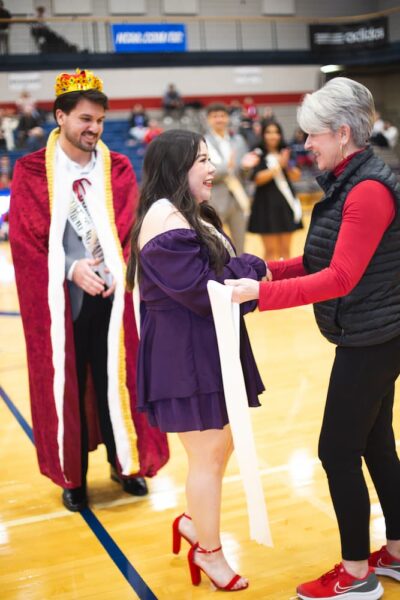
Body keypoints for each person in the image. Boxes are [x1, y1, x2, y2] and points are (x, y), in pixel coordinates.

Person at [226, 77, 400, 600]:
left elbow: (340, 278)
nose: (305, 145)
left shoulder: (367, 190)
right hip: (375, 329)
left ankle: (354, 575)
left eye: (313, 135)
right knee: (375, 443)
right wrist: (265, 272)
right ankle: (394, 552)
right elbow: (323, 260)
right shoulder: (352, 182)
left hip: (373, 336)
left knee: (336, 450)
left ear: (342, 134)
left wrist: (261, 293)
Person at [9, 68, 169, 513]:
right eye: (84, 119)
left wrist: (122, 268)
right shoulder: (30, 173)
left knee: (116, 380)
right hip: (63, 303)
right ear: (60, 117)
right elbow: (24, 243)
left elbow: (133, 231)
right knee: (68, 387)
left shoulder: (116, 168)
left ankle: (126, 464)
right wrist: (69, 268)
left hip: (114, 300)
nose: (93, 128)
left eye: (98, 120)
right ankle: (74, 477)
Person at [126, 129, 267, 591]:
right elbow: (203, 289)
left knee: (219, 446)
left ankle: (192, 521)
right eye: (201, 159)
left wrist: (247, 270)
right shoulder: (165, 219)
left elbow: (218, 271)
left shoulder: (187, 213)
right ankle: (209, 551)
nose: (211, 167)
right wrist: (251, 269)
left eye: (210, 157)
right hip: (184, 355)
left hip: (204, 346)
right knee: (207, 455)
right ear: (175, 167)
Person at [246, 120, 303, 260]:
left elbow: (296, 176)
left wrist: (286, 165)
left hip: (286, 204)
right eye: (269, 132)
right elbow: (258, 179)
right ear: (263, 134)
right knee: (271, 252)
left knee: (286, 251)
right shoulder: (257, 154)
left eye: (276, 132)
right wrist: (278, 165)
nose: (273, 136)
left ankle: (287, 281)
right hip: (265, 205)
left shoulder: (286, 151)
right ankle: (271, 281)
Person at [205, 102, 249, 255]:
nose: (219, 119)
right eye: (215, 116)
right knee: (214, 246)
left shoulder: (238, 141)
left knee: (240, 246)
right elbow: (206, 172)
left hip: (237, 199)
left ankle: (242, 275)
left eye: (222, 116)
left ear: (228, 118)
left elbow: (244, 174)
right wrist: (228, 168)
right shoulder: (203, 142)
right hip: (214, 200)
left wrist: (246, 168)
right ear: (208, 120)